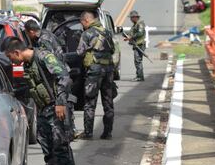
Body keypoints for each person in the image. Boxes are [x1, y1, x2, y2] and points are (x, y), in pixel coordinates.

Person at [2, 37, 75, 165]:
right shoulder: (25, 64)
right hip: (43, 110)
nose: (10, 60)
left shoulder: (44, 57)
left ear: (16, 52)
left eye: (10, 56)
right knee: (48, 148)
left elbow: (64, 77)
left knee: (61, 148)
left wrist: (61, 103)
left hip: (57, 109)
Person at [24, 20, 78, 140]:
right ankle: (69, 132)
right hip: (61, 72)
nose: (28, 37)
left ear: (32, 31)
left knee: (62, 105)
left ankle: (66, 134)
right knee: (67, 104)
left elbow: (49, 59)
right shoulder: (47, 33)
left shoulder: (43, 40)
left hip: (57, 74)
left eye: (28, 33)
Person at [76, 11, 115, 140]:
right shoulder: (106, 32)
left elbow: (80, 52)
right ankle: (107, 133)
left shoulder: (87, 33)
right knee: (108, 102)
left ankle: (88, 133)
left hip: (94, 72)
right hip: (108, 71)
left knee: (90, 102)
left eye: (82, 23)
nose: (82, 25)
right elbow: (113, 49)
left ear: (86, 20)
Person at [124, 10, 146, 82]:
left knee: (138, 61)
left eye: (131, 18)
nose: (130, 19)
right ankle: (139, 75)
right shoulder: (135, 25)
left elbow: (140, 33)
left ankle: (140, 76)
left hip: (139, 45)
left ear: (135, 17)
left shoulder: (140, 24)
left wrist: (131, 37)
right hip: (137, 44)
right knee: (137, 61)